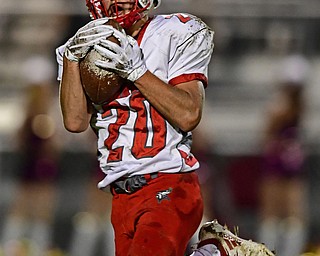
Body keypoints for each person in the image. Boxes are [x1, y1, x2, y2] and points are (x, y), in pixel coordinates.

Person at [56, 1, 273, 255]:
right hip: (121, 195)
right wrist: (71, 58)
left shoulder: (175, 31)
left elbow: (189, 113)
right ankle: (215, 252)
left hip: (168, 184)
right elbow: (75, 121)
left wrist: (137, 72)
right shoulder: (85, 44)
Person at [257, 55, 310, 256]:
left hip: (292, 163)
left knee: (295, 215)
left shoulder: (296, 105)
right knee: (272, 214)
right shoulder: (280, 107)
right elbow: (266, 137)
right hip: (277, 163)